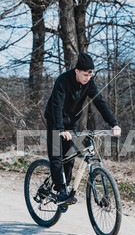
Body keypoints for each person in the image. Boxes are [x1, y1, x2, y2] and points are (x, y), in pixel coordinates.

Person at [44, 53, 121, 205]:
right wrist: (60, 129)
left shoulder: (89, 84)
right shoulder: (63, 80)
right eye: (85, 75)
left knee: (70, 156)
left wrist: (113, 123)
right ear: (77, 71)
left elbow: (100, 102)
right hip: (55, 120)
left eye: (90, 75)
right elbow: (57, 105)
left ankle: (65, 188)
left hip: (71, 122)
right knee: (56, 156)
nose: (87, 78)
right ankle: (60, 191)